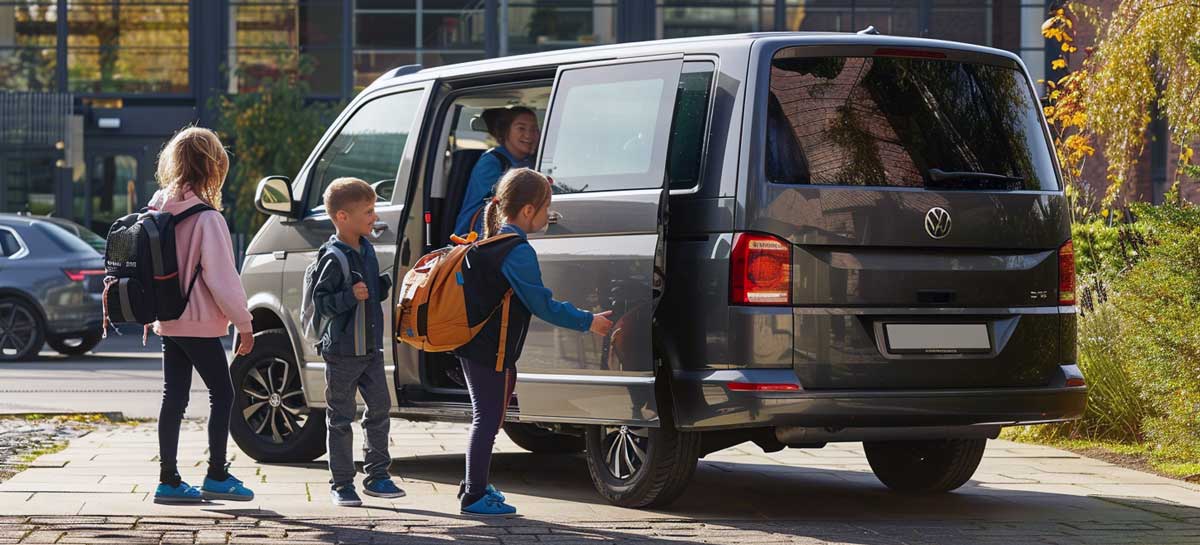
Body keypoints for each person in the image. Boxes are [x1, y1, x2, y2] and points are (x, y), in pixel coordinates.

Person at [454, 168, 614, 516]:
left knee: (490, 417)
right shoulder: (516, 251)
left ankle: (473, 485)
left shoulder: (493, 241)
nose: (549, 215)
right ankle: (474, 497)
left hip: (478, 346)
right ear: (528, 211)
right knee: (487, 418)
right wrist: (590, 322)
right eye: (546, 207)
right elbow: (542, 304)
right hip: (491, 349)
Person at [149, 127, 255, 504]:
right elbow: (223, 279)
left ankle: (168, 479)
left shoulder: (158, 206)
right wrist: (244, 324)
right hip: (199, 321)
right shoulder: (208, 219)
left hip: (168, 319)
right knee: (223, 394)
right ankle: (217, 475)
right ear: (215, 168)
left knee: (173, 398)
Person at [311, 177, 405, 507]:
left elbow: (371, 293)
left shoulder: (367, 250)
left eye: (373, 209)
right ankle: (341, 484)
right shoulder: (333, 257)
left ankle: (377, 476)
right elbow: (321, 302)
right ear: (342, 217)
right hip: (342, 353)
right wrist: (349, 296)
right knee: (340, 417)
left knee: (379, 409)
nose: (374, 217)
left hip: (371, 351)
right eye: (368, 211)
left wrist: (384, 285)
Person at [453, 107, 539, 237]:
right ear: (506, 132)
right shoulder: (491, 162)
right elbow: (502, 204)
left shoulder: (532, 161)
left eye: (534, 130)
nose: (528, 135)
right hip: (478, 237)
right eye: (521, 128)